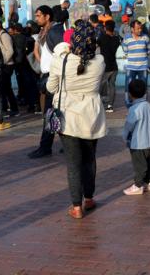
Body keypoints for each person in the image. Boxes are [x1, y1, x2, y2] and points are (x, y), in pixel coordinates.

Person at [47, 20, 107, 219]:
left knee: (73, 163)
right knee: (89, 159)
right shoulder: (99, 61)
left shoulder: (61, 61)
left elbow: (50, 88)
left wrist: (63, 51)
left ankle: (76, 206)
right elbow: (95, 53)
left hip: (69, 116)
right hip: (91, 116)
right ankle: (89, 198)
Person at [28, 5, 65, 159]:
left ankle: (46, 146)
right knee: (53, 112)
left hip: (54, 77)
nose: (37, 18)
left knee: (51, 112)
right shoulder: (45, 32)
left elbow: (62, 54)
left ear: (47, 16)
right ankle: (55, 145)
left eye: (39, 15)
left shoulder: (54, 32)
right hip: (48, 76)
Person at [122, 79, 150, 195]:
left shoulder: (134, 109)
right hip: (148, 141)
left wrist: (124, 136)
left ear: (130, 94)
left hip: (137, 143)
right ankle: (148, 182)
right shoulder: (149, 106)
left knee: (139, 165)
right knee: (149, 162)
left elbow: (129, 126)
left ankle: (138, 185)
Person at [0, 18, 18, 117]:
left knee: (5, 87)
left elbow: (10, 51)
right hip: (4, 65)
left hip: (7, 65)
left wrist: (2, 62)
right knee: (5, 87)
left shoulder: (4, 35)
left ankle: (13, 109)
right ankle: (9, 108)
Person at [11, 23, 38, 113]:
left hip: (22, 65)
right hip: (31, 64)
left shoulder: (16, 38)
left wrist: (17, 63)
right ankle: (35, 104)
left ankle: (30, 104)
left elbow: (18, 54)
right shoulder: (30, 39)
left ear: (15, 30)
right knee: (32, 84)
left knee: (26, 85)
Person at [122, 20, 150, 104]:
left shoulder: (145, 37)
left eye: (140, 28)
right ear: (132, 29)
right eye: (137, 28)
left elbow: (149, 50)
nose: (140, 30)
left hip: (143, 66)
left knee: (143, 85)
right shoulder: (127, 38)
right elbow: (125, 50)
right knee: (128, 85)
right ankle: (128, 101)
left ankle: (143, 102)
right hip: (131, 67)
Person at [98, 20, 122, 113]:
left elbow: (96, 44)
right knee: (112, 86)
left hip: (105, 66)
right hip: (114, 66)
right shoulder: (116, 39)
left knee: (101, 86)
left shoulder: (102, 37)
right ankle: (110, 105)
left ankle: (99, 104)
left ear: (105, 28)